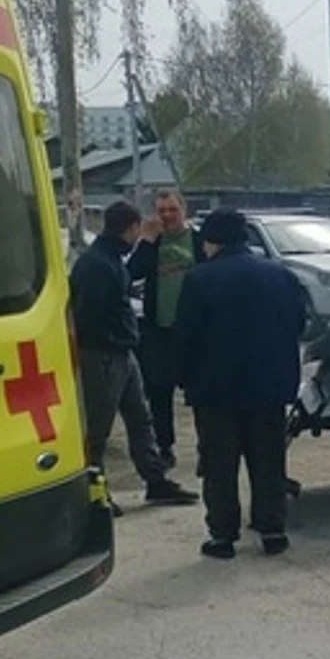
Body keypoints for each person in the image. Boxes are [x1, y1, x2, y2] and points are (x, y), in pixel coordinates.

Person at [174, 208, 308, 560]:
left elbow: (185, 336)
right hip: (270, 385)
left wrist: (183, 378)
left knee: (220, 464)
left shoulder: (199, 279)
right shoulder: (280, 275)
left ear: (211, 241)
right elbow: (299, 323)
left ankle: (222, 536)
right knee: (268, 460)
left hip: (216, 389)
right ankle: (272, 529)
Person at [68, 199, 200, 513]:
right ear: (131, 228)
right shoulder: (98, 265)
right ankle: (94, 492)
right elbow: (87, 313)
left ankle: (155, 480)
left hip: (123, 352)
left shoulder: (109, 258)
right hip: (103, 354)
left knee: (141, 420)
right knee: (99, 428)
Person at [127, 188, 205, 469]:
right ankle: (165, 447)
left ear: (183, 210)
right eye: (162, 211)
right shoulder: (152, 244)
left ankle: (205, 448)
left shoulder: (198, 241)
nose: (168, 216)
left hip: (194, 332)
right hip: (160, 329)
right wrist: (147, 241)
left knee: (200, 393)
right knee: (159, 392)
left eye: (173, 210)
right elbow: (131, 274)